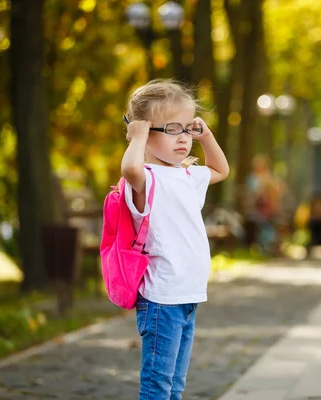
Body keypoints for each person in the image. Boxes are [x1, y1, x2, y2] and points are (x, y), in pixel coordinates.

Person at [121, 79, 229, 399]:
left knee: (176, 386)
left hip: (187, 295)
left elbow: (220, 169)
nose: (183, 137)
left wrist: (206, 135)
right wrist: (137, 137)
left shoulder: (186, 175)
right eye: (171, 129)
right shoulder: (147, 180)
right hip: (161, 298)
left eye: (187, 128)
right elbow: (129, 168)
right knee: (157, 386)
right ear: (144, 132)